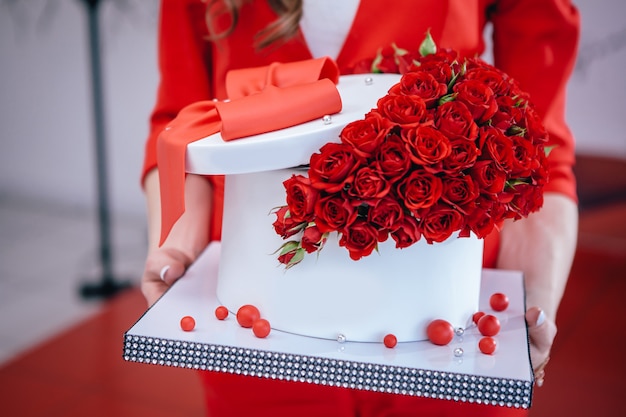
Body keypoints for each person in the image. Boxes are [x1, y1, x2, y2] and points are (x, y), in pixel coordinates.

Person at [140, 0, 580, 415]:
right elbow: (182, 124)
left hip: (445, 332)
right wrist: (176, 246)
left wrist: (535, 292)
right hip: (258, 316)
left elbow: (537, 151)